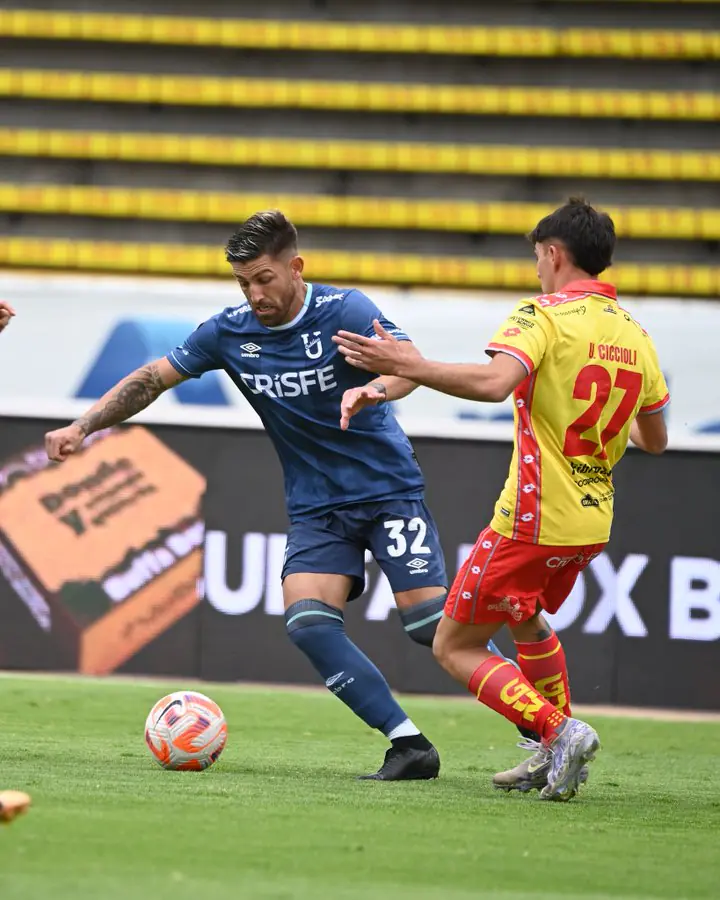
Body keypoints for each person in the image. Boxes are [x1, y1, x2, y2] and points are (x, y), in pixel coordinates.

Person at [45, 210, 518, 781]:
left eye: (263, 278)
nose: (253, 293)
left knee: (431, 629)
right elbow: (151, 378)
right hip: (317, 506)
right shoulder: (229, 331)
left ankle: (536, 720)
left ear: (296, 267)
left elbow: (408, 368)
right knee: (309, 623)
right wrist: (83, 426)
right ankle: (408, 745)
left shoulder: (346, 311)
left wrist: (373, 388)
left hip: (386, 489)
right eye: (243, 282)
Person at [333, 197, 669, 801]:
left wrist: (411, 365)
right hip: (591, 520)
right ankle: (550, 755)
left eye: (539, 258)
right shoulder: (635, 334)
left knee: (453, 644)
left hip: (533, 518)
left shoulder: (542, 315)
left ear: (553, 254)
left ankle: (559, 731)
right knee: (524, 613)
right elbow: (656, 437)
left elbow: (494, 384)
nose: (538, 270)